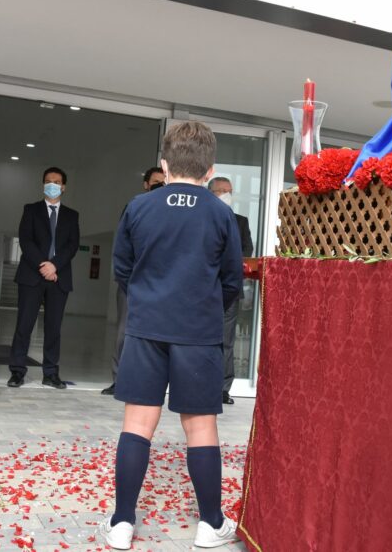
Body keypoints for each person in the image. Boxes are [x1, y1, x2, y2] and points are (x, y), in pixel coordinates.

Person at [100, 121, 243, 550]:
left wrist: (148, 301)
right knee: (201, 428)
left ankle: (122, 523)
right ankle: (210, 524)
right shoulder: (221, 213)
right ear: (209, 168)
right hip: (198, 332)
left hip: (146, 329)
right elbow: (232, 279)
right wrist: (202, 308)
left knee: (137, 425)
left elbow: (121, 269)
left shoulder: (139, 207)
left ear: (164, 164)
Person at [7, 167, 80, 390]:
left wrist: (54, 265)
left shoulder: (71, 215)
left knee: (53, 328)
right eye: (48, 181)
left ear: (63, 187)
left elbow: (72, 245)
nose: (52, 184)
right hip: (32, 276)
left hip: (59, 278)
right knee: (24, 325)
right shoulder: (30, 210)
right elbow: (26, 241)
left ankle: (50, 373)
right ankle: (17, 371)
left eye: (57, 181)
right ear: (43, 184)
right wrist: (44, 265)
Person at [102, 166, 165, 396]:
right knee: (125, 332)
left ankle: (148, 382)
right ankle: (119, 380)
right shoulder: (135, 207)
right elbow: (122, 249)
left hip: (161, 284)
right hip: (133, 283)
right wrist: (129, 282)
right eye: (156, 182)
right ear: (146, 184)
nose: (160, 186)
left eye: (163, 182)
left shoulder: (168, 210)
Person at [207, 176, 253, 405]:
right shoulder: (201, 217)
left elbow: (246, 253)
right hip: (203, 289)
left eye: (229, 190)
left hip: (230, 289)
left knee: (226, 340)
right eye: (221, 190)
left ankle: (223, 388)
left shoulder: (240, 222)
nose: (226, 194)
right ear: (210, 192)